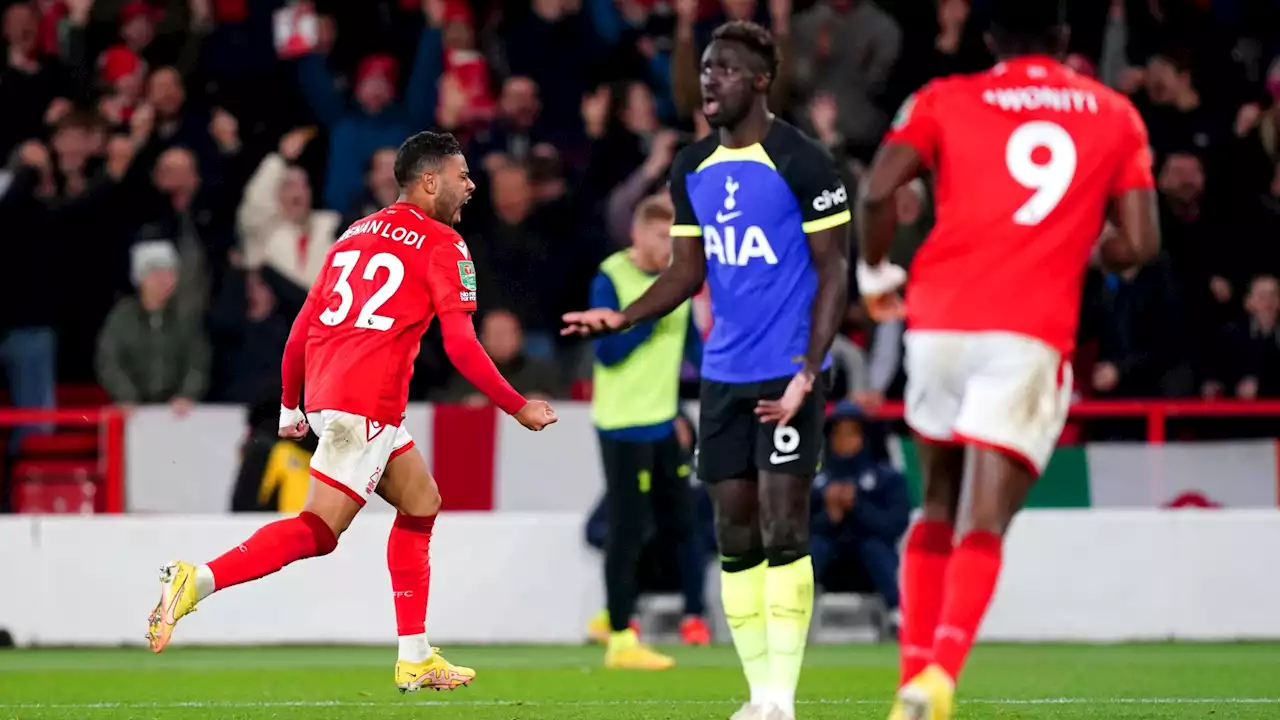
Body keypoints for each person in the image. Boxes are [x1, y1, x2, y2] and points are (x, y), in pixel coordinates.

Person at [145, 131, 559, 693]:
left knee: (421, 501)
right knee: (319, 530)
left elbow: (300, 332)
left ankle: (415, 655)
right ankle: (197, 581)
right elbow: (461, 344)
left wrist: (292, 406)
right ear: (430, 180)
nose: (471, 185)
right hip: (365, 405)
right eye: (462, 176)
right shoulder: (443, 244)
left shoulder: (353, 234)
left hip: (334, 396)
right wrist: (516, 406)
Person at [854, 2, 1159, 718]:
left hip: (936, 323)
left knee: (935, 501)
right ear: (1063, 36)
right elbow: (1140, 245)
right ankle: (940, 676)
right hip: (1026, 330)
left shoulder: (943, 97)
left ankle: (911, 678)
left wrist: (874, 277)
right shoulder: (1114, 113)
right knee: (984, 520)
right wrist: (1086, 243)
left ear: (989, 38)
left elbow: (875, 190)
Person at [564, 21, 851, 720]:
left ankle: (782, 698)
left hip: (787, 372)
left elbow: (835, 269)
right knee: (735, 534)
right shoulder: (691, 165)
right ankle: (758, 696)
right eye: (705, 70)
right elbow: (686, 271)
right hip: (723, 376)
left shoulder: (804, 162)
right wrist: (625, 316)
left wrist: (809, 371)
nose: (708, 81)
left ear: (758, 81)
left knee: (786, 525)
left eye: (723, 70)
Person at [586, 194, 705, 669]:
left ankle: (693, 617)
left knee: (682, 523)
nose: (668, 247)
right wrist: (646, 315)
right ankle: (619, 634)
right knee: (628, 528)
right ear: (638, 234)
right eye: (661, 236)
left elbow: (692, 352)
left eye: (673, 238)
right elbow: (607, 354)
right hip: (622, 425)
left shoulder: (680, 281)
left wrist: (680, 411)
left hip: (663, 422)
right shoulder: (611, 278)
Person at [809, 401, 909, 641]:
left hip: (870, 564)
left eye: (852, 433)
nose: (844, 441)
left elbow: (894, 525)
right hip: (828, 562)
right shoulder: (812, 483)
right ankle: (788, 617)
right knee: (814, 547)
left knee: (874, 547)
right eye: (838, 434)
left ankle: (899, 616)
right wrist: (829, 516)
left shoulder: (886, 478)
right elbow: (793, 529)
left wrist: (857, 508)